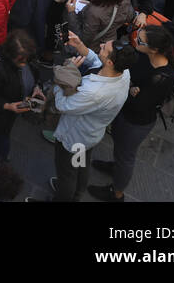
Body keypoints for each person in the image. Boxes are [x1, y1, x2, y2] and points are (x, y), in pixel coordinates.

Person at [89, 24, 174, 201]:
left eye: (140, 40)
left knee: (126, 156)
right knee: (120, 149)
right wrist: (131, 88)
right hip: (125, 113)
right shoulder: (144, 56)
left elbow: (140, 105)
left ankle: (117, 193)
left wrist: (128, 90)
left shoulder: (162, 77)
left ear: (154, 49)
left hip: (135, 122)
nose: (134, 40)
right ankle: (116, 167)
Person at [44, 34, 133, 202]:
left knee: (66, 175)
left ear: (110, 62)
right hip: (89, 136)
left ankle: (65, 196)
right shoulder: (123, 71)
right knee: (80, 164)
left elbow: (63, 105)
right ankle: (78, 193)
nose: (100, 46)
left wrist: (64, 76)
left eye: (104, 48)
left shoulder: (94, 93)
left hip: (74, 137)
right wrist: (80, 46)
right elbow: (97, 62)